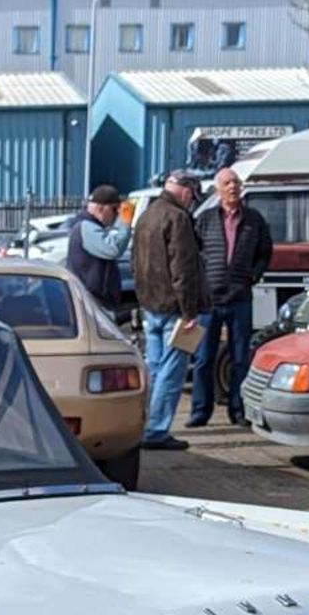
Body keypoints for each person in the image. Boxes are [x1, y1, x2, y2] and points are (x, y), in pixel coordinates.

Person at [131, 170, 211, 451]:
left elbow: (135, 262)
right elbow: (184, 269)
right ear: (187, 193)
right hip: (174, 307)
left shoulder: (147, 215)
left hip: (150, 304)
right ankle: (156, 430)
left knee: (154, 368)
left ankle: (144, 424)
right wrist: (190, 311)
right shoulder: (178, 218)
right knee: (172, 371)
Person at [189, 167, 274, 427]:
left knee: (240, 359)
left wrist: (253, 276)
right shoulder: (204, 220)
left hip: (240, 298)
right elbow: (193, 255)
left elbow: (265, 252)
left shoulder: (254, 220)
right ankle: (200, 412)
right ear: (217, 189)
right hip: (209, 301)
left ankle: (239, 412)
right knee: (204, 359)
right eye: (227, 183)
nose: (232, 187)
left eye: (236, 182)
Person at [65, 183, 130, 313]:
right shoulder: (86, 227)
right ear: (101, 208)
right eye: (115, 210)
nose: (117, 215)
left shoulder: (87, 225)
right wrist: (125, 223)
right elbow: (113, 249)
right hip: (92, 302)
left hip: (92, 301)